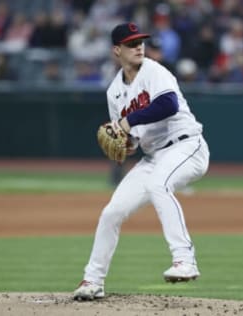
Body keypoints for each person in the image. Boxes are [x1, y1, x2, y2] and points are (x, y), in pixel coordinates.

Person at [73, 22, 210, 301]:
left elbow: (168, 105)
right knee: (112, 212)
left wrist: (126, 121)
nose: (138, 47)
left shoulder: (154, 70)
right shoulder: (114, 92)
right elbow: (132, 139)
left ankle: (185, 260)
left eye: (141, 42)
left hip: (186, 146)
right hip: (152, 157)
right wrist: (126, 144)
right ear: (116, 50)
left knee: (160, 185)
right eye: (131, 43)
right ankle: (93, 280)